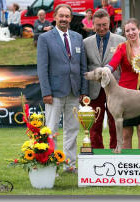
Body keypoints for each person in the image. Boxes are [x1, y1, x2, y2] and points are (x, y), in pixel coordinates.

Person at [37, 4, 88, 173]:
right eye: (61, 16)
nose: (64, 19)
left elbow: (82, 67)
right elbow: (42, 68)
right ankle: (51, 165)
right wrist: (46, 92)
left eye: (67, 16)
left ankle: (69, 165)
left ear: (71, 18)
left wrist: (83, 91)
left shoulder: (78, 37)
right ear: (55, 17)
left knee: (72, 130)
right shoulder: (45, 38)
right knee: (51, 130)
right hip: (54, 93)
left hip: (74, 92)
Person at [105, 18, 140, 149]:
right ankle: (127, 165)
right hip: (126, 96)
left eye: (133, 29)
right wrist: (105, 69)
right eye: (127, 31)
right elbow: (113, 64)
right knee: (126, 133)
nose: (131, 33)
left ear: (139, 30)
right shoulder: (122, 48)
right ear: (125, 33)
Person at [83, 9, 125, 149]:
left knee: (115, 122)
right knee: (94, 124)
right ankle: (97, 153)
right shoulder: (85, 42)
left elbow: (124, 66)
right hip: (94, 90)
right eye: (98, 25)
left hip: (115, 89)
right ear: (93, 24)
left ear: (110, 23)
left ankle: (115, 150)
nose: (101, 28)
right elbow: (84, 67)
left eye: (104, 24)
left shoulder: (121, 40)